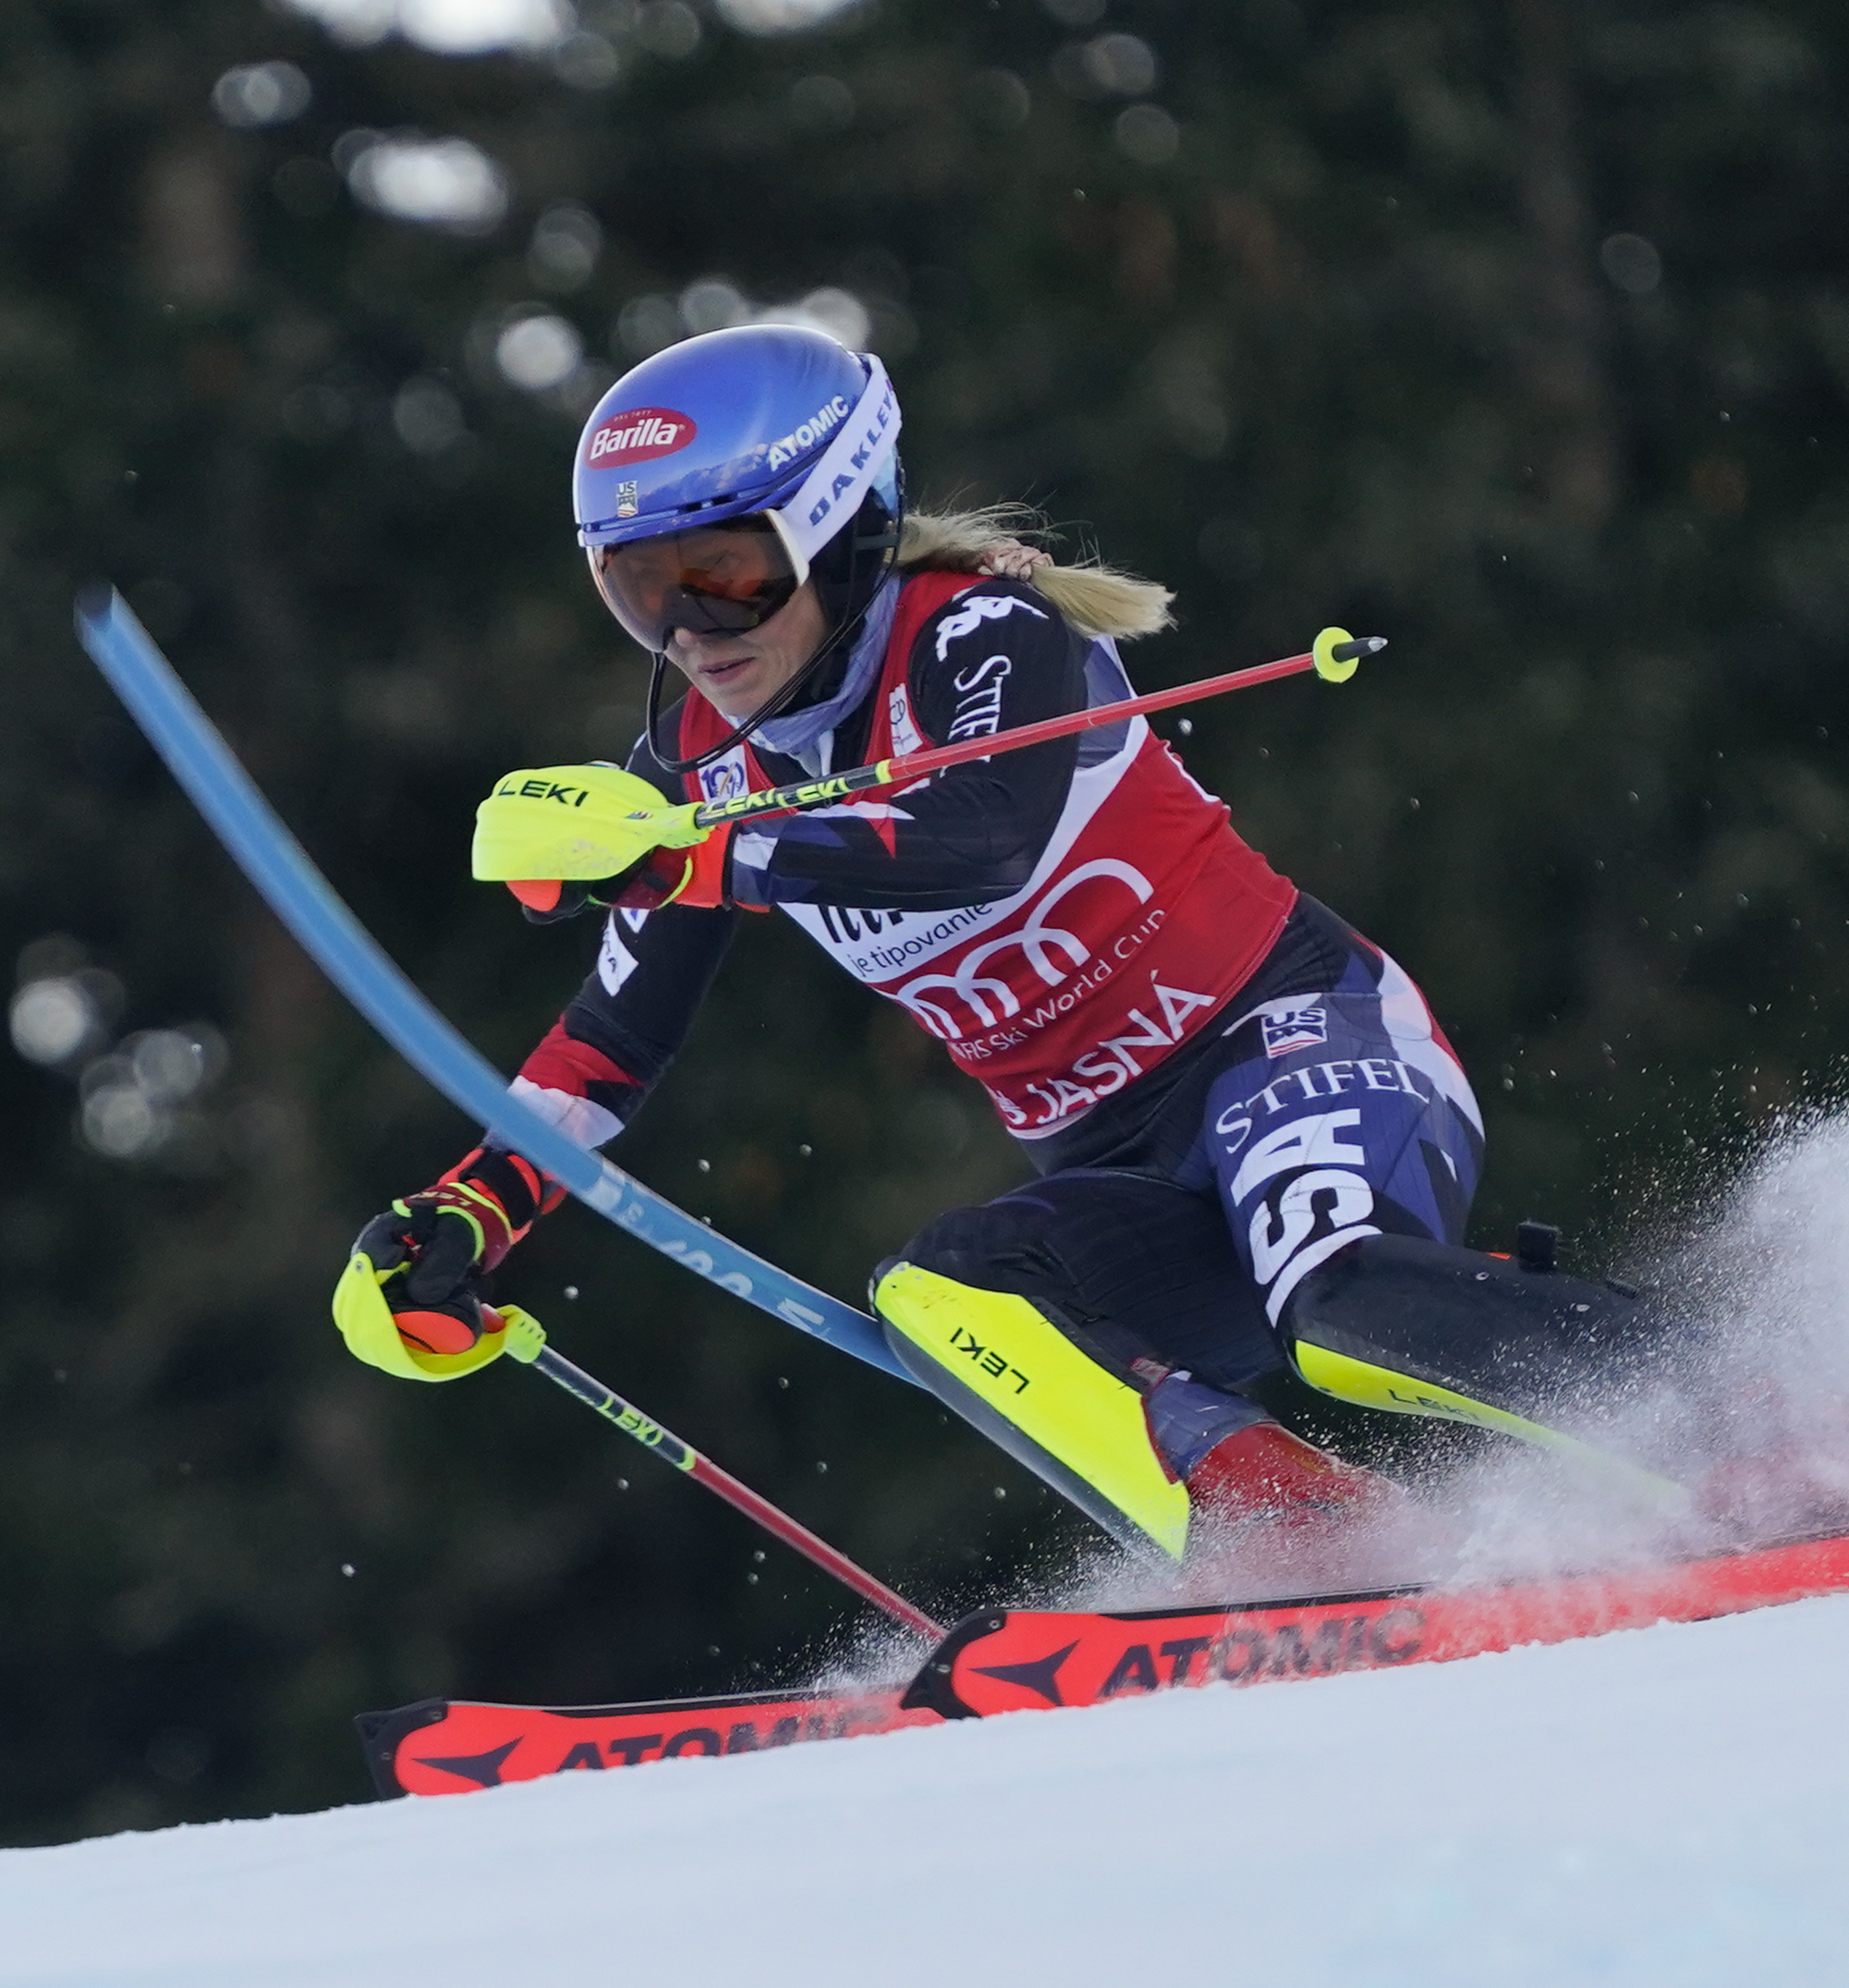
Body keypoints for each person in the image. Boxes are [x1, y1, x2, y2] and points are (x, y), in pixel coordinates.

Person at [334, 324, 1676, 1570]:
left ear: (834, 530)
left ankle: (1744, 1421)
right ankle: (1320, 1559)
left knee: (1340, 1305)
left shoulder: (979, 630)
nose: (690, 635)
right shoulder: (695, 762)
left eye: (724, 580)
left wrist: (696, 853)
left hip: (1296, 1045)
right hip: (1126, 1170)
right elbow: (619, 1032)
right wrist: (472, 1207)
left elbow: (980, 838)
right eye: (640, 594)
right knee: (947, 1300)